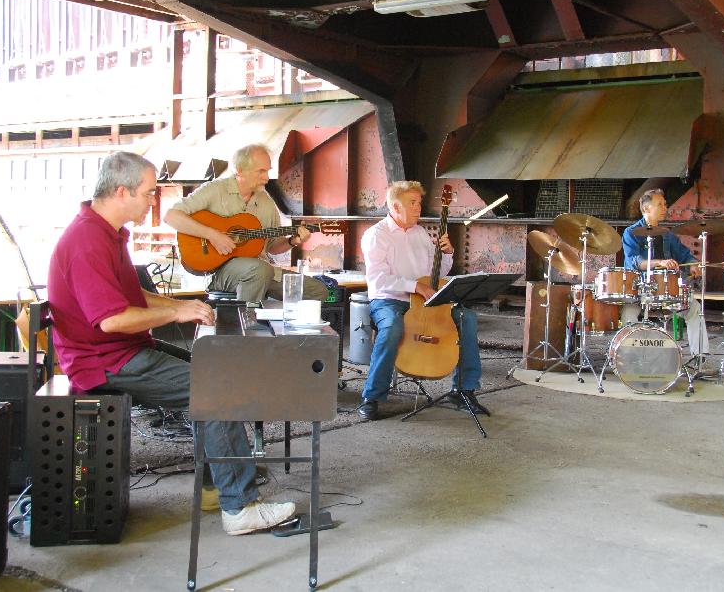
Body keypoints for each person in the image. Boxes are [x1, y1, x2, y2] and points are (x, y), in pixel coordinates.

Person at [48, 151, 294, 535]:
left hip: (122, 349)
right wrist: (177, 315)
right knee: (214, 390)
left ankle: (215, 484)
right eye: (148, 193)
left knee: (213, 372)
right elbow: (112, 319)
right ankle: (240, 507)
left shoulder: (106, 232)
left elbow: (131, 297)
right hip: (102, 361)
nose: (153, 200)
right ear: (121, 191)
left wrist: (183, 305)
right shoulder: (87, 242)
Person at [356, 181, 488, 421]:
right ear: (395, 207)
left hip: (424, 297)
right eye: (412, 203)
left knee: (466, 317)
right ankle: (372, 396)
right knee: (392, 327)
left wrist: (446, 253)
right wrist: (414, 286)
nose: (419, 208)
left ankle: (463, 389)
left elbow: (437, 273)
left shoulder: (420, 233)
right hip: (390, 300)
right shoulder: (376, 235)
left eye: (419, 203)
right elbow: (378, 279)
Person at [164, 144, 328, 303]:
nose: (266, 177)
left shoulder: (266, 202)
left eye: (268, 171)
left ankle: (275, 322)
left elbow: (272, 247)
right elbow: (171, 216)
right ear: (240, 170)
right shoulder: (215, 190)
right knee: (260, 270)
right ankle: (245, 324)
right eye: (261, 171)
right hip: (218, 271)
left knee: (317, 291)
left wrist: (292, 241)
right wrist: (212, 235)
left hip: (259, 271)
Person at [620, 188, 710, 357]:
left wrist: (693, 264)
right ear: (646, 209)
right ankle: (629, 358)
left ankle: (700, 359)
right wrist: (659, 262)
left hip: (667, 290)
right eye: (660, 204)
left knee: (695, 308)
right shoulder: (630, 233)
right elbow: (634, 261)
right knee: (629, 313)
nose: (664, 208)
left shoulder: (668, 234)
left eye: (665, 204)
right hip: (639, 288)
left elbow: (684, 254)